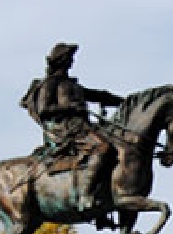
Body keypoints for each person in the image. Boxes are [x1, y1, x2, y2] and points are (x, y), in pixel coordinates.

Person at [20, 43, 123, 212]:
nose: (71, 61)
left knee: (116, 142)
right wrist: (72, 108)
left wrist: (126, 101)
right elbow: (44, 109)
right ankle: (85, 194)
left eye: (71, 58)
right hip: (65, 130)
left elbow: (99, 95)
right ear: (60, 61)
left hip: (81, 127)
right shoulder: (50, 83)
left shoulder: (71, 84)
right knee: (103, 147)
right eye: (68, 58)